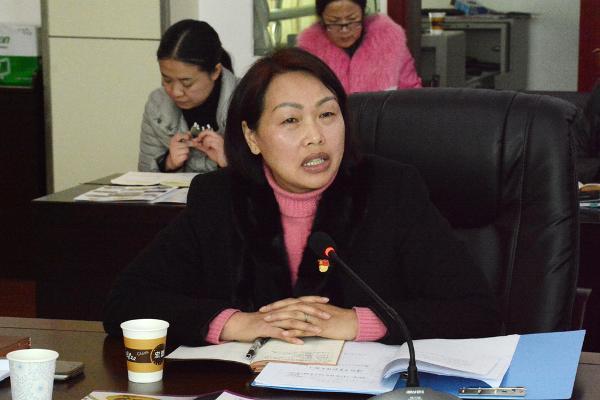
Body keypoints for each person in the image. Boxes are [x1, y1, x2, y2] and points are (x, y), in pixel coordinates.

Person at [104, 48, 498, 346]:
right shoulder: (220, 199)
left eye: (327, 115)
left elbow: (474, 310)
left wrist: (359, 322)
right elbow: (126, 302)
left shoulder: (390, 190)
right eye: (291, 120)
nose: (315, 136)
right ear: (252, 137)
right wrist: (236, 322)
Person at [138, 19, 237, 173]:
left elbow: (268, 179)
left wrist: (229, 161)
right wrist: (167, 165)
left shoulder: (248, 101)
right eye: (167, 80)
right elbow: (143, 180)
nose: (175, 92)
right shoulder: (157, 105)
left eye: (186, 82)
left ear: (215, 72)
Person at [297, 0, 421, 93]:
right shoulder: (309, 54)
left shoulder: (391, 43)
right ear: (322, 20)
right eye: (334, 22)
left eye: (352, 20)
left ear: (363, 15)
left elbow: (412, 93)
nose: (344, 30)